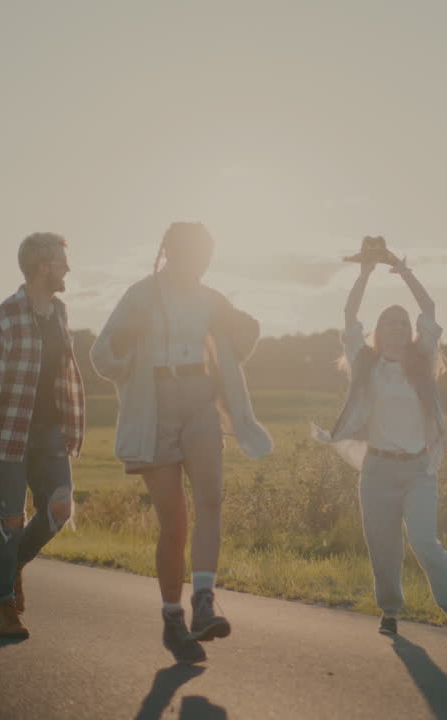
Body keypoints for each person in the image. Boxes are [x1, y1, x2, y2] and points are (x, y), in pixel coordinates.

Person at [91, 222, 272, 664]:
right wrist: (127, 335)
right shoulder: (140, 295)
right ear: (169, 252)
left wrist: (240, 334)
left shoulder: (211, 298)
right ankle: (172, 617)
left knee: (211, 499)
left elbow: (241, 340)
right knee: (174, 522)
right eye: (191, 252)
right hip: (154, 404)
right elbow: (102, 357)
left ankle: (204, 602)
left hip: (200, 401)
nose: (199, 260)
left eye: (205, 253)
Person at [315, 239, 447, 646]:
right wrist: (366, 271)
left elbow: (430, 309)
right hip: (378, 470)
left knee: (425, 541)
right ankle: (390, 610)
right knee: (383, 547)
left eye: (404, 324)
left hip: (418, 469)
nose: (400, 328)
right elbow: (349, 314)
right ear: (379, 333)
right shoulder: (365, 364)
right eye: (392, 324)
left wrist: (402, 270)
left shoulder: (422, 361)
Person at [0, 232, 85, 639]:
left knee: (60, 508)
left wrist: (71, 424)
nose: (68, 268)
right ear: (42, 266)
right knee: (9, 520)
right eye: (62, 262)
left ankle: (13, 561)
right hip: (9, 435)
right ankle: (1, 606)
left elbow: (63, 374)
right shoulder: (5, 317)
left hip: (51, 432)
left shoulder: (60, 313)